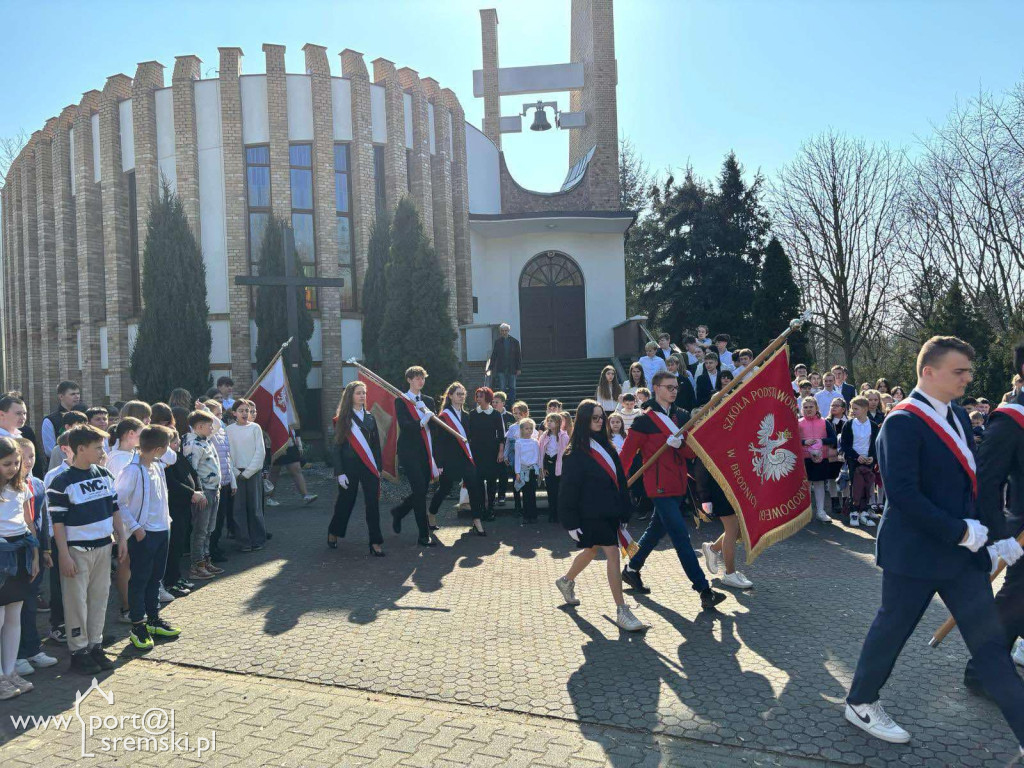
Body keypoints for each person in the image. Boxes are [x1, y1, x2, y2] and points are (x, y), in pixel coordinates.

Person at [844, 336, 1024, 751]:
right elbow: (904, 496)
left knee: (991, 645)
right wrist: (960, 531)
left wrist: (994, 536)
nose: (967, 379)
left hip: (962, 559)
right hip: (915, 554)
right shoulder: (901, 421)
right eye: (959, 371)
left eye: (968, 372)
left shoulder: (959, 415)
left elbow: (976, 484)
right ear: (929, 372)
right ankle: (860, 701)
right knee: (892, 630)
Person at [619, 371, 726, 609]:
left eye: (675, 387)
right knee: (681, 538)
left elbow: (691, 453)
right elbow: (626, 456)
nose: (674, 391)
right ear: (656, 388)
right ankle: (703, 589)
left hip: (678, 485)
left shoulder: (682, 416)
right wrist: (616, 484)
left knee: (657, 530)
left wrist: (679, 446)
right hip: (657, 487)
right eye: (669, 387)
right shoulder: (643, 421)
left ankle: (632, 568)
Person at [966, 340, 1024, 697]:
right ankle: (982, 671)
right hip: (1022, 530)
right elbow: (986, 482)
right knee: (1017, 598)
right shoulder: (1012, 419)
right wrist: (1000, 536)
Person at [555, 400, 644, 632]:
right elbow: (568, 490)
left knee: (592, 550)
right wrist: (570, 521)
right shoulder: (574, 454)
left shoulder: (609, 447)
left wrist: (625, 510)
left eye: (601, 417)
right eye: (594, 418)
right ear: (584, 420)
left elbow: (621, 483)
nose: (599, 421)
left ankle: (566, 581)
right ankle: (622, 610)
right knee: (612, 553)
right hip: (589, 513)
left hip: (611, 511)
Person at [48, 425, 123, 674]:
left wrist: (121, 538)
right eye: (98, 447)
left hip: (103, 546)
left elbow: (115, 509)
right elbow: (58, 523)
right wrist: (64, 555)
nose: (103, 452)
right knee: (76, 603)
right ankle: (78, 650)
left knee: (99, 599)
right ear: (81, 449)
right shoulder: (61, 482)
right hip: (77, 551)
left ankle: (95, 645)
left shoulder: (104, 474)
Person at [116, 426, 182, 650]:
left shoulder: (157, 465)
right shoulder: (132, 470)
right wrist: (135, 527)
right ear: (157, 449)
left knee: (156, 578)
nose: (169, 451)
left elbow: (172, 456)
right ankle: (138, 625)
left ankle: (153, 619)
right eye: (165, 448)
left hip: (163, 529)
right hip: (144, 534)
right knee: (140, 580)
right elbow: (118, 501)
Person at [13, 439, 57, 680]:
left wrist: (46, 551)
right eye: (23, 457)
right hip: (16, 552)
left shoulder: (38, 484)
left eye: (31, 457)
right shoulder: (9, 487)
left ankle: (32, 650)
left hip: (36, 551)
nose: (28, 461)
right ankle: (17, 654)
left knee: (30, 603)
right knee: (16, 607)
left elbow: (43, 519)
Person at [0, 437, 40, 698]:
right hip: (2, 556)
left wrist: (35, 556)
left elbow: (29, 524)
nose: (14, 468)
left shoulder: (22, 486)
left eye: (16, 462)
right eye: (6, 464)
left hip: (22, 553)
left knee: (15, 615)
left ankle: (10, 669)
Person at [330, 381, 385, 555]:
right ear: (350, 396)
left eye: (364, 393)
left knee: (372, 504)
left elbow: (375, 446)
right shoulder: (342, 419)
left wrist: (378, 467)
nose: (362, 396)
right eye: (358, 393)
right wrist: (339, 473)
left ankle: (375, 542)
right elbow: (337, 447)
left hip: (368, 466)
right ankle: (334, 531)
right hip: (349, 467)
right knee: (346, 502)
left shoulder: (370, 417)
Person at [428, 383, 488, 537]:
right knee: (444, 489)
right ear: (450, 396)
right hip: (450, 460)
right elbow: (438, 442)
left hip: (466, 459)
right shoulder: (443, 417)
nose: (461, 396)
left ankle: (476, 521)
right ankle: (432, 514)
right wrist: (439, 463)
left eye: (463, 394)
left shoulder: (468, 416)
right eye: (458, 394)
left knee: (474, 488)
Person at [391, 366, 438, 547]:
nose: (420, 381)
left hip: (425, 451)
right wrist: (423, 420)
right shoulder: (402, 401)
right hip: (409, 452)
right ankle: (423, 535)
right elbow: (406, 426)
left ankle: (399, 512)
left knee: (420, 491)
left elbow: (434, 429)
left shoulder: (428, 401)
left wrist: (429, 415)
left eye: (422, 378)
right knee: (420, 491)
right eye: (417, 378)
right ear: (409, 380)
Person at [697, 460, 753, 589]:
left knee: (740, 529)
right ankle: (729, 574)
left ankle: (713, 549)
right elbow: (701, 466)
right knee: (732, 529)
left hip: (737, 486)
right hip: (719, 488)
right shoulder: (709, 439)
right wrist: (705, 497)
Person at [182, 410, 224, 579]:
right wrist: (198, 492)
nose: (212, 428)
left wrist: (205, 409)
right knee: (200, 529)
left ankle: (206, 560)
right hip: (204, 491)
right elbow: (191, 471)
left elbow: (218, 425)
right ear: (199, 427)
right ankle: (196, 565)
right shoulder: (192, 444)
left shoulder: (205, 440)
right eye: (208, 425)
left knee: (209, 529)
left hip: (214, 489)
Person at [226, 400, 267, 554]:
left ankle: (258, 539)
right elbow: (227, 452)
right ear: (234, 413)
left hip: (253, 472)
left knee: (254, 507)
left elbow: (260, 452)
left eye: (248, 410)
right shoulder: (229, 430)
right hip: (236, 473)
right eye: (241, 410)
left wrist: (249, 472)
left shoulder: (255, 428)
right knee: (238, 508)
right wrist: (235, 472)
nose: (245, 413)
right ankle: (243, 541)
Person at [204, 400, 235, 564]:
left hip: (225, 481)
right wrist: (204, 411)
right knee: (212, 521)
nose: (219, 418)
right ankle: (210, 551)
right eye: (216, 414)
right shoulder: (209, 433)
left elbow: (227, 457)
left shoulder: (222, 432)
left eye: (220, 414)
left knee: (220, 518)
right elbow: (214, 424)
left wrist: (232, 481)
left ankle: (215, 546)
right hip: (213, 483)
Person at [799, 396, 838, 523]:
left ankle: (821, 511)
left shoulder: (824, 422)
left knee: (819, 484)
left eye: (811, 407)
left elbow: (833, 439)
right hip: (804, 459)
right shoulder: (798, 423)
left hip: (821, 458)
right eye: (806, 407)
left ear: (817, 408)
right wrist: (804, 442)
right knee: (806, 485)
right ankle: (806, 512)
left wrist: (821, 441)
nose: (808, 409)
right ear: (801, 409)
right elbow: (792, 440)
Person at [468, 387, 504, 518]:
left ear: (488, 397)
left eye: (481, 396)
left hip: (491, 452)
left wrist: (501, 452)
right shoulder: (472, 414)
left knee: (491, 482)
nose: (478, 399)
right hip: (476, 451)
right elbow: (468, 434)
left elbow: (501, 435)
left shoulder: (495, 414)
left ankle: (491, 509)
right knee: (478, 481)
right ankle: (482, 508)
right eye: (477, 396)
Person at [539, 413, 570, 523]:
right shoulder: (544, 436)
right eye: (548, 421)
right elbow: (542, 452)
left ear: (558, 423)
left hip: (560, 468)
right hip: (549, 466)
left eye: (552, 421)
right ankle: (552, 514)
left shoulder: (564, 436)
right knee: (550, 491)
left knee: (559, 492)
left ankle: (560, 514)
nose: (549, 423)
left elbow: (566, 453)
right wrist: (544, 467)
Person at [501, 401, 530, 516]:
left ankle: (527, 507)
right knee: (515, 482)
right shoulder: (512, 428)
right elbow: (507, 442)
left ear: (526, 413)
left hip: (526, 458)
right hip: (514, 458)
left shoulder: (530, 425)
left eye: (520, 413)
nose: (517, 415)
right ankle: (517, 506)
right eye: (515, 413)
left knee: (527, 483)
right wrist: (505, 455)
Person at [41, 381, 81, 458]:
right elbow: (50, 450)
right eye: (72, 394)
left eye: (78, 393)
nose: (77, 396)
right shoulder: (50, 420)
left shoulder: (84, 415)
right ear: (61, 396)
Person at [486, 323, 522, 403]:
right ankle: (502, 403)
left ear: (508, 331)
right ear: (500, 332)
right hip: (501, 368)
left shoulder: (515, 342)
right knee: (502, 388)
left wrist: (519, 368)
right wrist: (490, 368)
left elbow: (518, 356)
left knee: (512, 387)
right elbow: (494, 355)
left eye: (506, 330)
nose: (504, 332)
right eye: (502, 331)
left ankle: (512, 403)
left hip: (512, 368)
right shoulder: (497, 342)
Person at [515, 418, 541, 524]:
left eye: (531, 428)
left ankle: (533, 515)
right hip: (523, 470)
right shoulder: (518, 442)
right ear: (521, 429)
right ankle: (526, 515)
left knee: (532, 493)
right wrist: (517, 472)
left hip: (532, 470)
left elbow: (538, 456)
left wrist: (539, 469)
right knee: (525, 494)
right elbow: (517, 458)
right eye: (526, 428)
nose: (529, 430)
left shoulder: (535, 442)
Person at [492, 392, 516, 510]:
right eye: (493, 402)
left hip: (506, 448)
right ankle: (491, 496)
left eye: (497, 402)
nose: (494, 404)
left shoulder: (510, 417)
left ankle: (501, 495)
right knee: (492, 472)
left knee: (503, 472)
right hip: (492, 447)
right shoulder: (490, 415)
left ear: (503, 403)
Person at [825, 399, 849, 515]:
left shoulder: (849, 421)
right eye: (832, 405)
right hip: (831, 453)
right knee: (832, 477)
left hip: (845, 454)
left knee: (845, 477)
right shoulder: (827, 421)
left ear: (843, 409)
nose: (833, 407)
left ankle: (846, 501)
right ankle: (834, 500)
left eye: (837, 406)